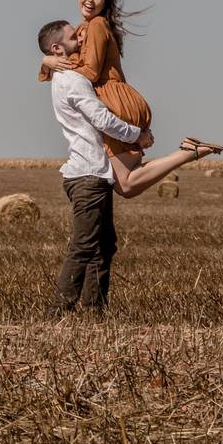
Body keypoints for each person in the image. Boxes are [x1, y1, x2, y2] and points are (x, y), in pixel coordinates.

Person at [38, 0, 223, 197]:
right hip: (117, 100)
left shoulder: (96, 25)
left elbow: (90, 72)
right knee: (125, 183)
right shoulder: (82, 29)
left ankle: (188, 153)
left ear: (105, 2)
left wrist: (50, 62)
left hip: (115, 102)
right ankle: (188, 152)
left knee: (125, 184)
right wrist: (47, 60)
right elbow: (66, 56)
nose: (90, 0)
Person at [38, 20, 150, 313]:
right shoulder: (73, 80)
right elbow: (102, 120)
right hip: (87, 175)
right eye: (74, 38)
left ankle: (94, 309)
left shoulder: (66, 74)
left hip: (94, 173)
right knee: (85, 245)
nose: (81, 40)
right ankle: (59, 310)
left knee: (104, 245)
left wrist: (47, 62)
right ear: (57, 48)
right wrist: (136, 136)